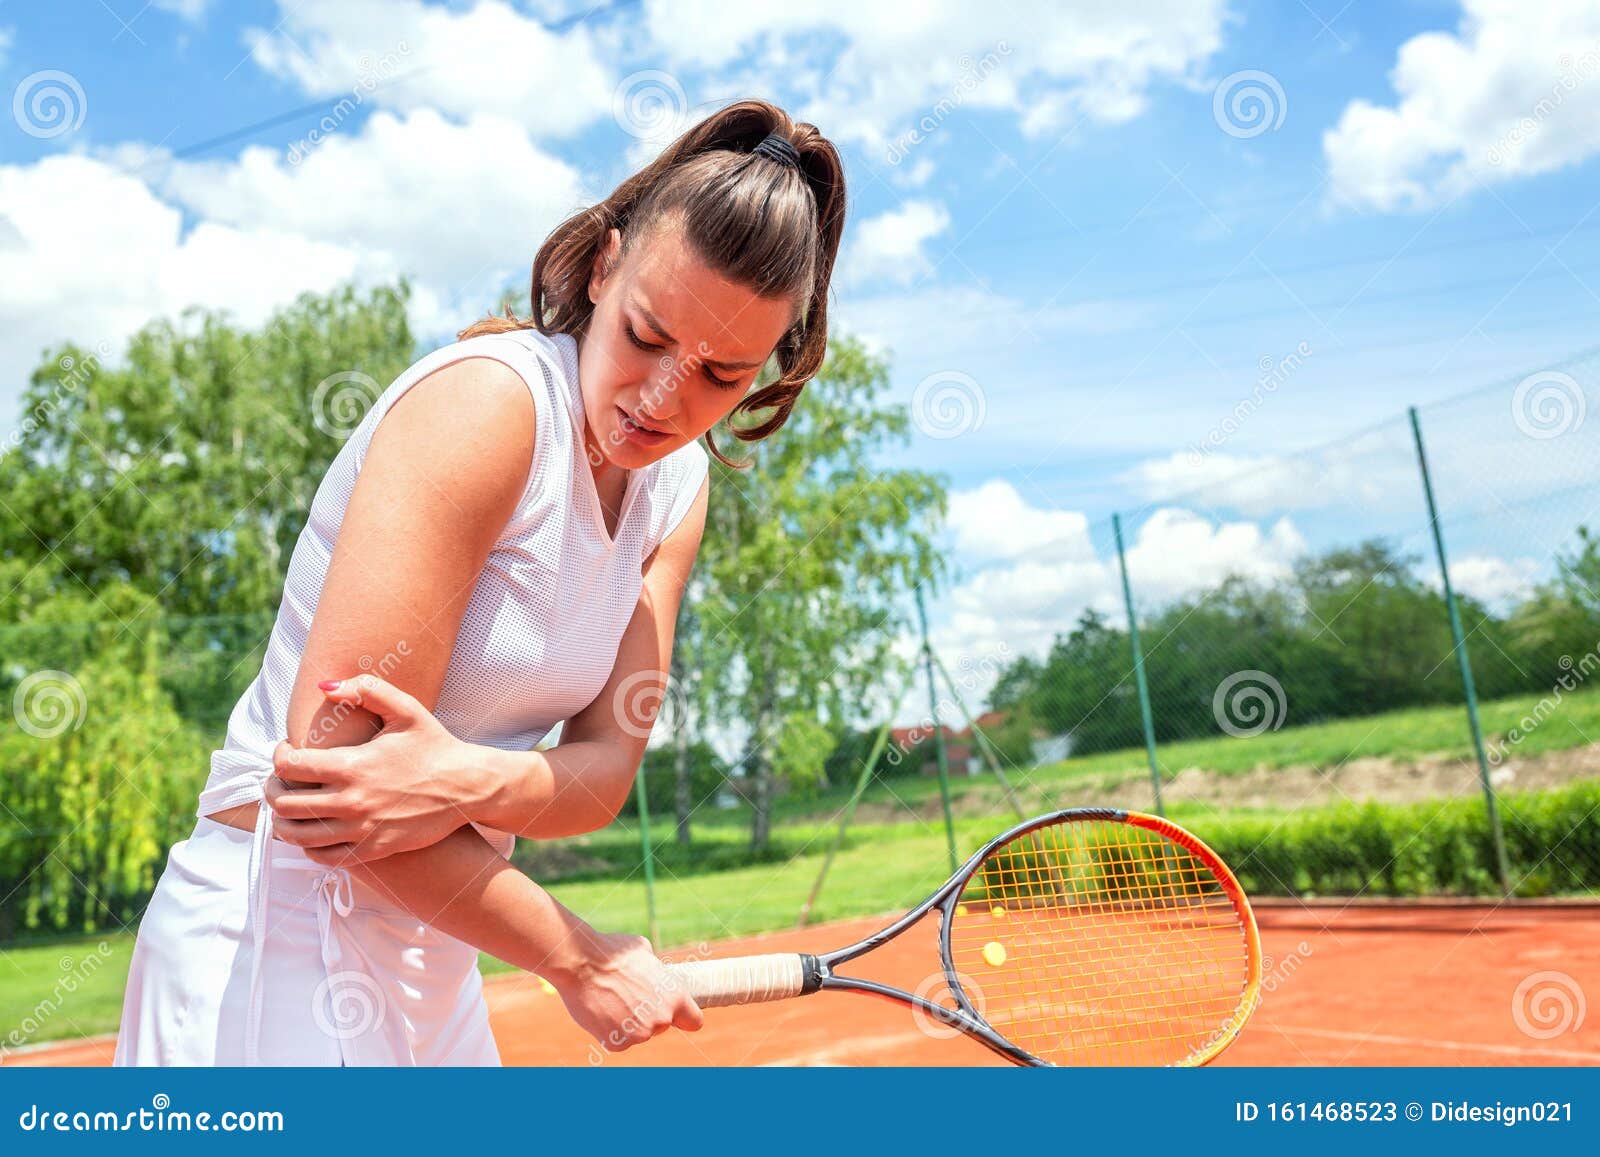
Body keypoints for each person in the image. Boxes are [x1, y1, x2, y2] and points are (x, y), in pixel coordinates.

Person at [113, 98, 847, 1066]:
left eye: (720, 373)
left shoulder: (678, 488)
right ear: (602, 266)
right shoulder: (489, 407)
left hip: (439, 952)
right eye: (646, 335)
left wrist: (461, 775)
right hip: (271, 934)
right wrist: (579, 958)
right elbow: (330, 791)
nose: (665, 398)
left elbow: (600, 778)